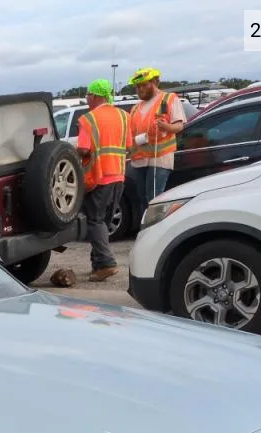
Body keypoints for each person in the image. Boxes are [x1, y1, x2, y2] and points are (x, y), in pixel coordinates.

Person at [76, 79, 131, 282]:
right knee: (105, 222)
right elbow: (129, 145)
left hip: (98, 177)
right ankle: (98, 265)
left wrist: (72, 152)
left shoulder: (88, 120)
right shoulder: (124, 116)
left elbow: (83, 149)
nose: (87, 98)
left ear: (96, 95)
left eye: (88, 95)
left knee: (94, 220)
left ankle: (106, 263)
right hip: (119, 175)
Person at [126, 67, 186, 211]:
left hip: (159, 158)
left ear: (155, 82)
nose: (140, 89)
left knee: (153, 199)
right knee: (141, 197)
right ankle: (145, 228)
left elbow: (179, 126)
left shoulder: (168, 99)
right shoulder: (135, 108)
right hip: (139, 160)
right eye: (137, 86)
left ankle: (155, 230)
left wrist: (166, 127)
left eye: (144, 85)